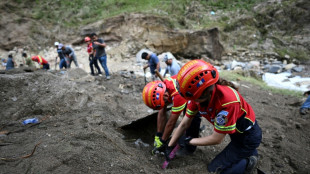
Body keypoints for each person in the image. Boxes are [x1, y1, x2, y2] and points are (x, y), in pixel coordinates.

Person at [166, 59, 262, 174]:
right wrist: (170, 145)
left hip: (247, 137)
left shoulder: (228, 102)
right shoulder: (196, 97)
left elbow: (217, 139)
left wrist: (189, 141)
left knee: (216, 170)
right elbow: (185, 123)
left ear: (204, 93)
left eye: (192, 98)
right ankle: (246, 152)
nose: (190, 101)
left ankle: (250, 160)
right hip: (235, 133)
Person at [142, 76, 201, 155]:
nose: (165, 104)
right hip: (185, 88)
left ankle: (189, 149)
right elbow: (161, 111)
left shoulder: (177, 96)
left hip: (199, 91)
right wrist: (158, 135)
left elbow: (171, 122)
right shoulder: (163, 87)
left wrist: (163, 141)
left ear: (166, 96)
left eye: (165, 102)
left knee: (192, 117)